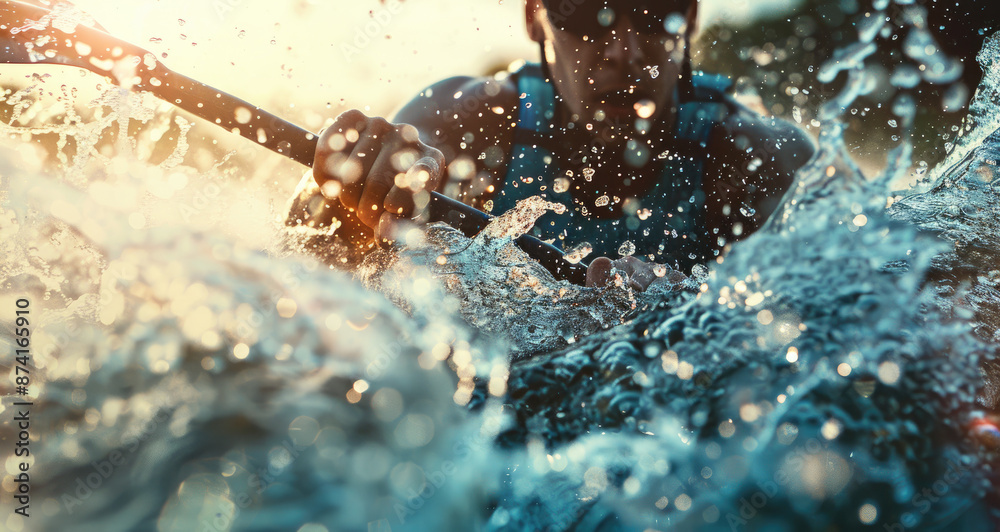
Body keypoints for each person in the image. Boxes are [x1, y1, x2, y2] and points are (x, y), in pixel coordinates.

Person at [288, 0, 814, 291]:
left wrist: (701, 308)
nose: (625, 51)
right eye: (586, 11)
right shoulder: (478, 125)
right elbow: (307, 269)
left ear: (691, 17)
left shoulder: (753, 158)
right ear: (535, 16)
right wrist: (357, 188)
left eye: (655, 10)